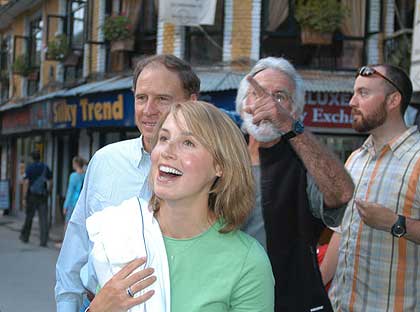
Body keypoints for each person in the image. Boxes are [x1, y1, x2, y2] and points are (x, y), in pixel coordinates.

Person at [84, 100, 274, 312]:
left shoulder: (247, 262)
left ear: (220, 166)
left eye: (188, 143)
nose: (167, 151)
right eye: (164, 138)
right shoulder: (127, 232)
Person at [55, 54, 200, 311]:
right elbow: (76, 243)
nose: (148, 109)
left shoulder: (207, 170)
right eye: (141, 98)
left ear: (191, 102)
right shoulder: (105, 161)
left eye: (162, 99)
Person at [236, 57, 355, 311]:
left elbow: (342, 192)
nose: (267, 104)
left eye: (279, 97)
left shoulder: (303, 160)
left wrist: (289, 126)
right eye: (256, 94)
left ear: (296, 111)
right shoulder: (220, 156)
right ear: (242, 105)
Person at [327, 64, 420, 311]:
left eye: (363, 93)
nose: (351, 102)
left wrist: (395, 223)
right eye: (354, 92)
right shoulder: (354, 159)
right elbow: (341, 232)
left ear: (393, 100)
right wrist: (315, 292)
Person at [19, 150, 53, 247]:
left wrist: (24, 197)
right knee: (43, 218)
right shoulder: (45, 167)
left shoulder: (30, 168)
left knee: (29, 216)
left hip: (32, 196)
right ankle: (43, 241)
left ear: (32, 158)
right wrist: (49, 192)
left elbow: (25, 182)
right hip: (43, 196)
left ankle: (25, 237)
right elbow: (51, 181)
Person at [63, 156, 87, 231]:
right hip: (82, 203)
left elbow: (70, 191)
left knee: (68, 223)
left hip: (73, 202)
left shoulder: (73, 176)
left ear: (76, 164)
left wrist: (65, 205)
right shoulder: (85, 175)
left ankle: (66, 242)